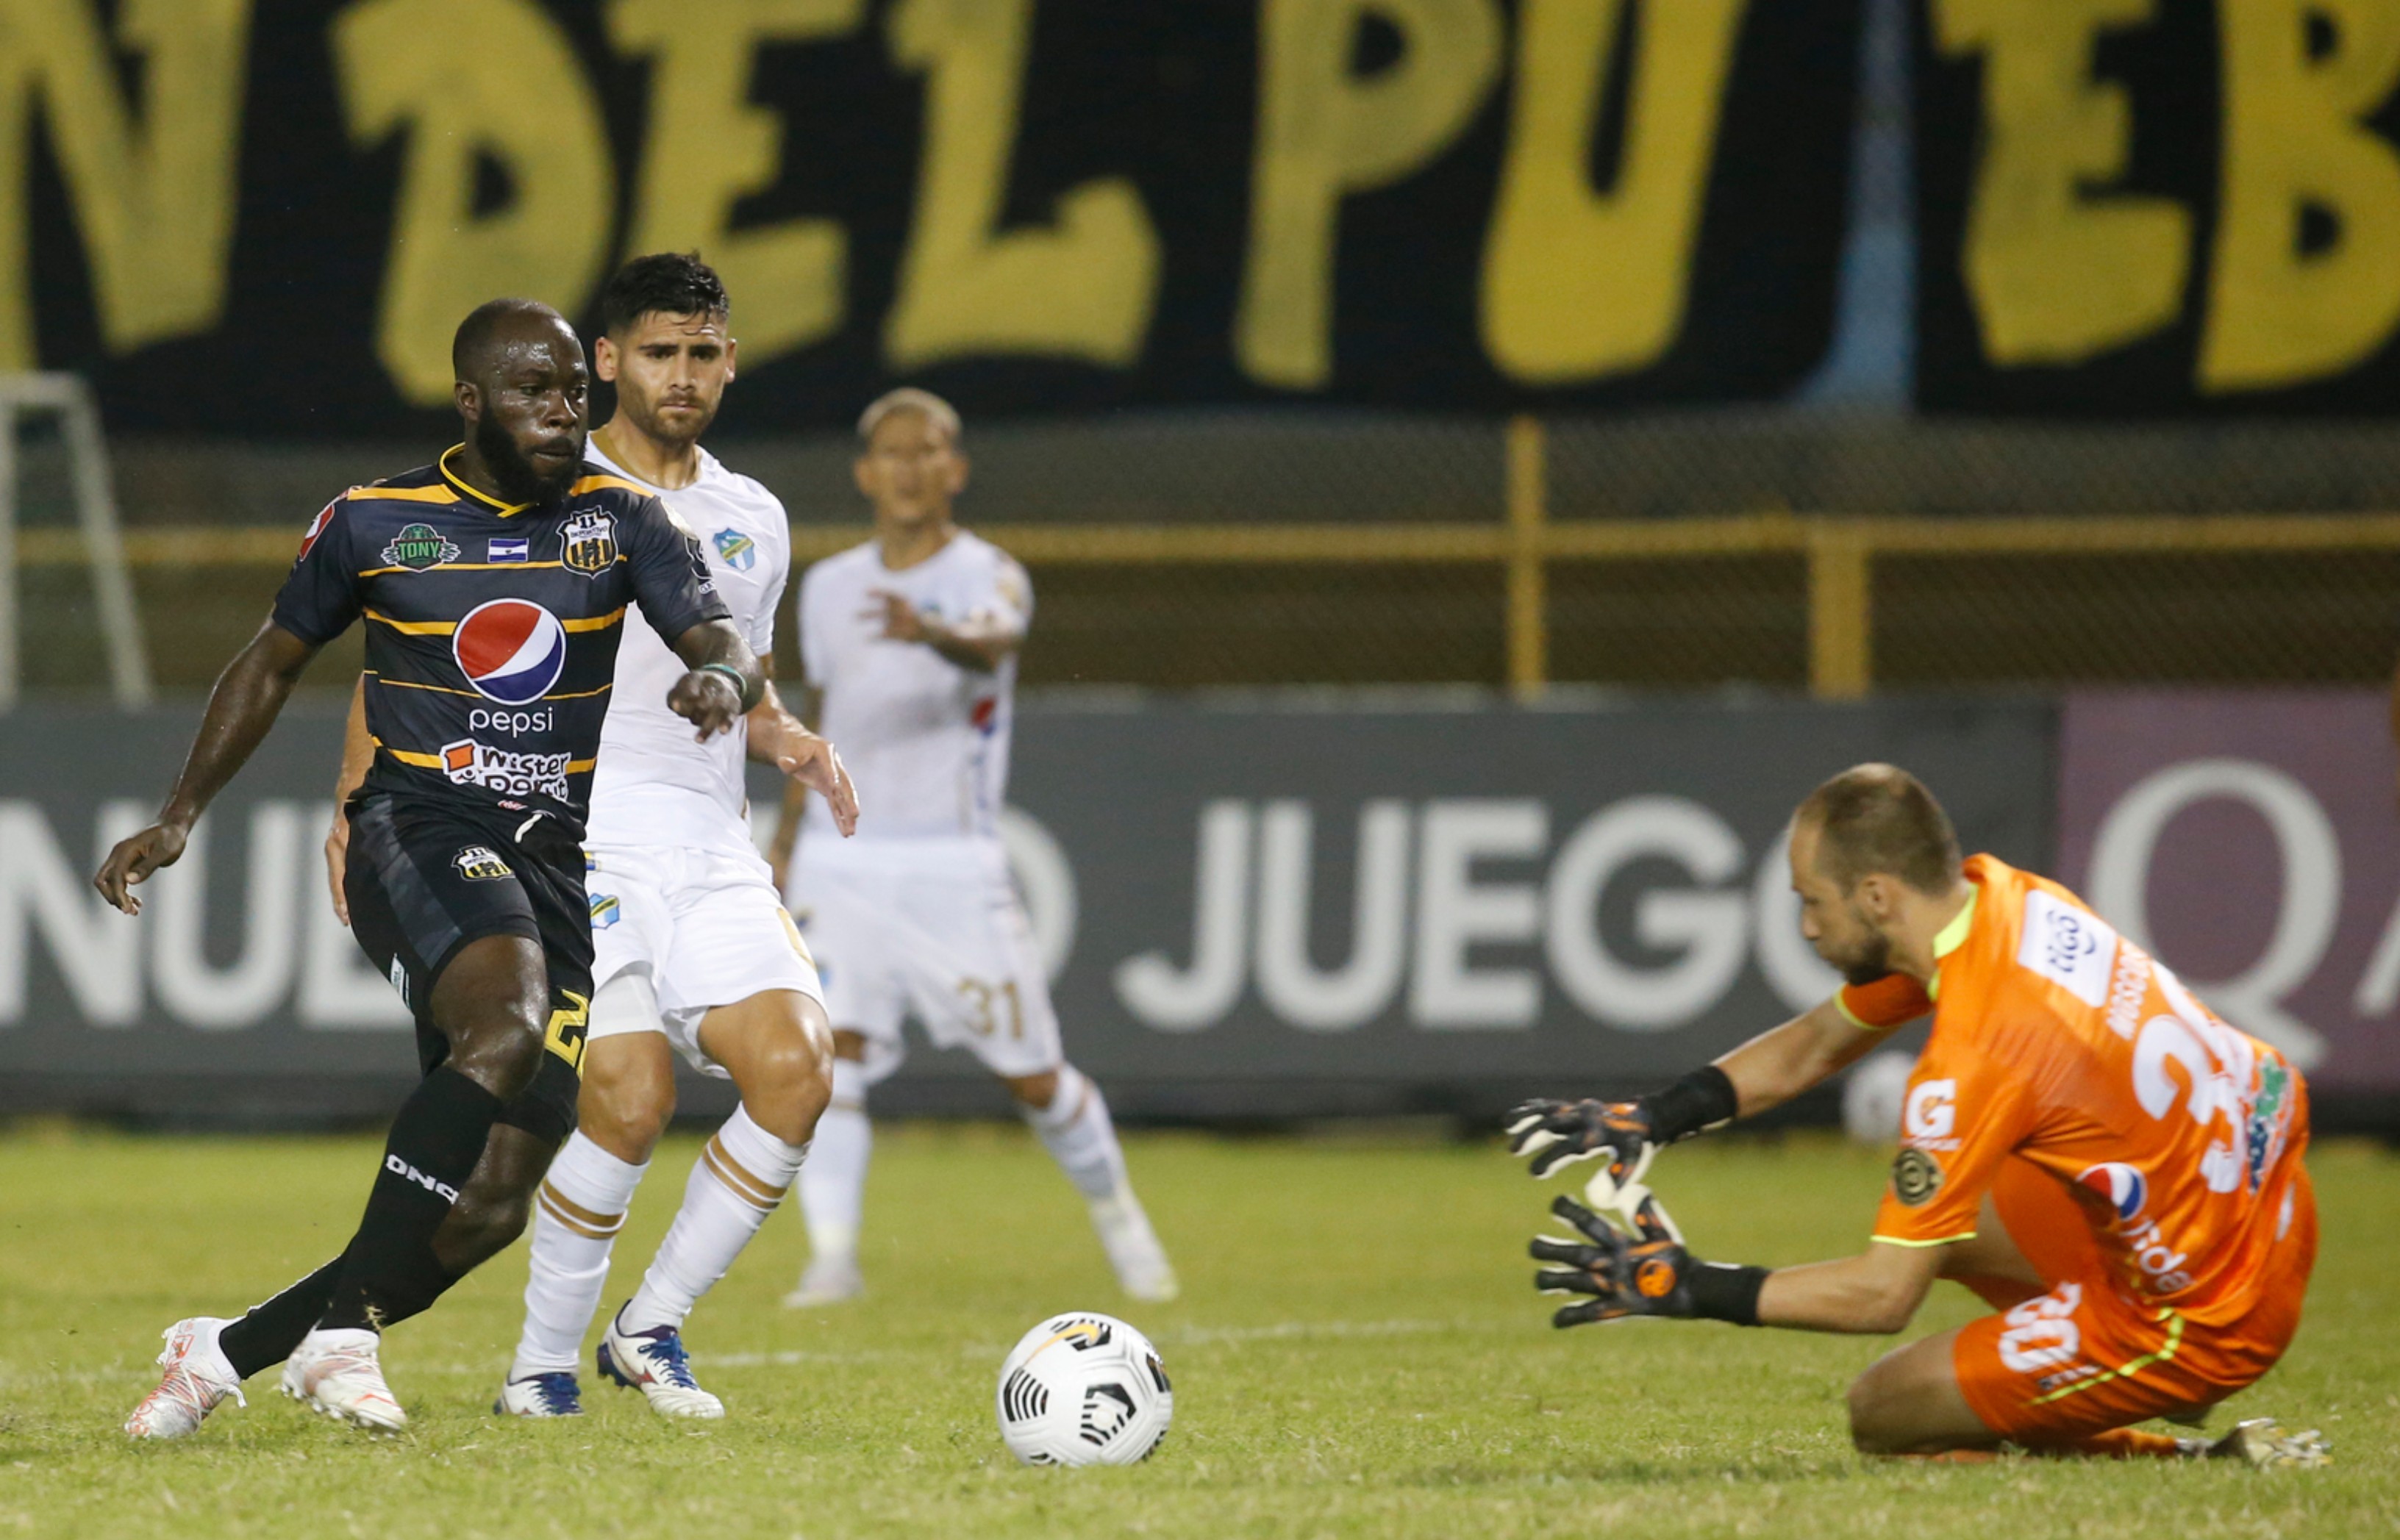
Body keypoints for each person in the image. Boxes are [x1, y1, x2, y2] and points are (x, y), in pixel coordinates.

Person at [113, 297, 779, 1438]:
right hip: (414, 827)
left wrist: (723, 680)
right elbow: (272, 660)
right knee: (508, 1020)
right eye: (533, 389)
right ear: (471, 401)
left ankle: (223, 1347)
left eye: (573, 386)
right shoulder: (376, 520)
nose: (564, 409)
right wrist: (180, 813)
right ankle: (345, 1339)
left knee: (486, 1208)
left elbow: (716, 633)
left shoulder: (621, 522)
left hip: (554, 861)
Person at [1505, 764, 2325, 1466]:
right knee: (1950, 1216)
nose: (1806, 924)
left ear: (1875, 896)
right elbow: (1817, 1041)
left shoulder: (1976, 1054)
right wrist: (1655, 1115)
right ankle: (2119, 1370)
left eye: (1812, 899)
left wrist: (1685, 1284)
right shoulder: (2003, 899)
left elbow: (1879, 1297)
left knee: (1889, 1412)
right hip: (2268, 1208)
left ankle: (2187, 1452)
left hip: (2209, 1311)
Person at [465, 252, 859, 1419]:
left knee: (796, 1070)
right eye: (657, 352)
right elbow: (425, 647)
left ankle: (650, 1327)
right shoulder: (542, 494)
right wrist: (357, 804)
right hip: (575, 832)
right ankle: (538, 1365)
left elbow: (746, 669)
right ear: (606, 361)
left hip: (707, 836)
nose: (681, 375)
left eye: (701, 353)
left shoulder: (754, 516)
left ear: (729, 361)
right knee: (628, 1096)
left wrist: (783, 733)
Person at [768, 389, 1176, 1306]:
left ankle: (1123, 1222)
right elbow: (824, 714)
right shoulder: (830, 587)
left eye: (930, 452)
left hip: (953, 862)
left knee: (1034, 1074)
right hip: (843, 854)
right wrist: (788, 839)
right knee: (832, 1057)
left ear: (955, 469)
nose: (911, 468)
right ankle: (832, 1257)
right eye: (894, 454)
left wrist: (930, 629)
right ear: (867, 473)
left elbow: (995, 643)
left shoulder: (990, 575)